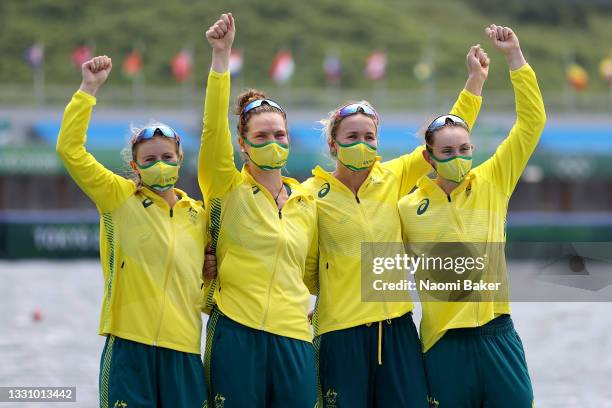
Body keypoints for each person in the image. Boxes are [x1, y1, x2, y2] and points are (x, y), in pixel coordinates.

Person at [302, 44, 490, 406]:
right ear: (333, 143)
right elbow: (307, 265)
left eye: (369, 137)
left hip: (398, 330)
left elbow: (446, 136)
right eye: (352, 137)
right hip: (340, 334)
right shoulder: (311, 194)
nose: (362, 144)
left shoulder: (395, 175)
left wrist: (475, 82)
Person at [398, 24, 546, 408]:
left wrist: (514, 57)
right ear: (428, 158)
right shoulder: (407, 207)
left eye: (465, 148)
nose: (459, 157)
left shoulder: (494, 179)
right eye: (447, 151)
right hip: (443, 345)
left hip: (498, 335)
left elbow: (531, 125)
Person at [56, 56, 208, 408]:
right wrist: (88, 89)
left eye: (168, 157)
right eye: (150, 159)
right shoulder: (117, 197)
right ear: (134, 166)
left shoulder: (198, 215)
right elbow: (70, 150)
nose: (161, 165)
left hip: (184, 351)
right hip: (128, 347)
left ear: (180, 158)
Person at [199, 13, 317, 408]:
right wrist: (222, 56)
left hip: (296, 338)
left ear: (289, 138)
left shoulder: (307, 201)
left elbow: (319, 272)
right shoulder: (225, 187)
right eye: (261, 136)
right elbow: (213, 128)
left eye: (279, 135)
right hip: (236, 332)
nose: (272, 142)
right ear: (243, 144)